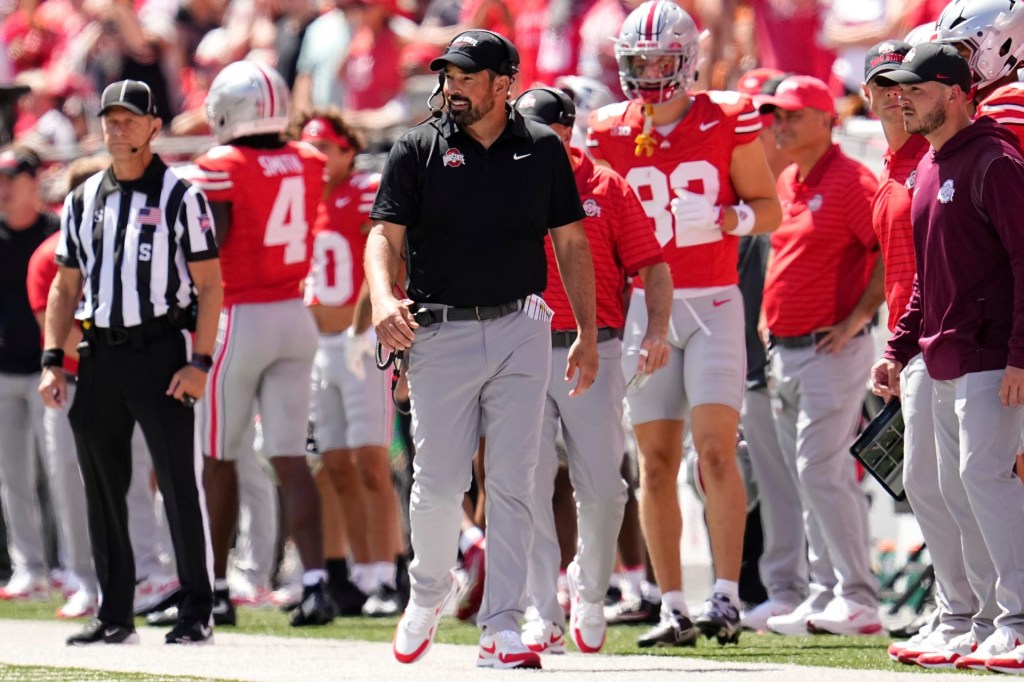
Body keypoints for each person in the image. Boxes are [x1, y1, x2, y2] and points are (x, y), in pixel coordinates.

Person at [366, 29, 598, 670]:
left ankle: (500, 624)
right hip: (438, 331)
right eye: (449, 76)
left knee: (516, 479)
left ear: (505, 84)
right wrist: (385, 299)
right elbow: (383, 235)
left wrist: (585, 330)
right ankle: (429, 593)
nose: (453, 87)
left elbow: (572, 243)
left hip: (524, 325)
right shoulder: (417, 145)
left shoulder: (544, 147)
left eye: (468, 77)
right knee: (439, 485)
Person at [585, 0, 782, 648]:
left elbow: (769, 209)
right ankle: (671, 604)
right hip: (646, 306)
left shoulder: (727, 115)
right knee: (655, 459)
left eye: (660, 60)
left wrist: (731, 221)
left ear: (687, 61)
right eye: (638, 62)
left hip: (715, 301)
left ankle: (724, 596)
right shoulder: (610, 128)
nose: (648, 73)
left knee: (717, 451)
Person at [39, 79, 220, 646]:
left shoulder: (181, 196)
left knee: (176, 482)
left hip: (161, 352)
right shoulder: (82, 198)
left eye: (129, 120)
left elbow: (210, 286)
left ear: (153, 127)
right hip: (98, 356)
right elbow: (64, 290)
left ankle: (197, 607)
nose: (118, 129)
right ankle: (115, 611)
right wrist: (53, 359)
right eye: (110, 120)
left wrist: (200, 362)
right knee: (101, 486)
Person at [872, 42, 1024, 673]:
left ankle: (1016, 621)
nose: (903, 98)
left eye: (920, 87)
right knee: (945, 488)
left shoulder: (996, 161)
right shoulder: (930, 166)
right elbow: (930, 282)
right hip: (940, 354)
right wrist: (897, 347)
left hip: (993, 355)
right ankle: (979, 620)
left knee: (983, 482)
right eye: (901, 88)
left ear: (959, 92)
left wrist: (1020, 355)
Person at [512, 86, 672, 655]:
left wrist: (655, 331)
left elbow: (653, 266)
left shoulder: (607, 187)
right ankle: (540, 606)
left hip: (593, 348)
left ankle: (591, 587)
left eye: (544, 135)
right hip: (519, 350)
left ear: (567, 133)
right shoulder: (501, 184)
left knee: (604, 487)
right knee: (523, 484)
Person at [189, 60, 337, 628]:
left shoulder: (221, 165)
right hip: (294, 314)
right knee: (289, 459)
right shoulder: (306, 160)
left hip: (241, 315)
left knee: (219, 458)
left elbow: (214, 240)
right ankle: (316, 583)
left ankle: (217, 587)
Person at [861, 39, 976, 665]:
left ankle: (983, 612)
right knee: (925, 485)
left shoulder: (937, 156)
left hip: (954, 336)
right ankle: (957, 609)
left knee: (964, 483)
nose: (895, 96)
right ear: (868, 96)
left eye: (906, 84)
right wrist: (892, 343)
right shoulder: (895, 164)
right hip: (913, 340)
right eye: (883, 85)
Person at [757, 74, 884, 637]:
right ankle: (828, 592)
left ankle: (858, 597)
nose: (780, 125)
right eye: (776, 116)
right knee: (809, 474)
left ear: (827, 120)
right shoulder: (787, 179)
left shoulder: (853, 180)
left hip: (833, 349)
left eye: (791, 116)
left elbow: (888, 251)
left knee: (820, 470)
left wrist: (860, 317)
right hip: (787, 349)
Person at [297, 107, 407, 617]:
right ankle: (355, 575)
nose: (316, 159)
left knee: (371, 463)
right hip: (316, 346)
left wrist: (369, 323)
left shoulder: (366, 189)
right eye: (309, 147)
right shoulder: (299, 195)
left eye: (326, 148)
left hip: (361, 342)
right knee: (335, 465)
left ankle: (388, 573)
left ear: (348, 150)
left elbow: (388, 251)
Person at [0, 146, 59, 603]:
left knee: (62, 474)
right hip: (3, 374)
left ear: (34, 182)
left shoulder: (56, 234)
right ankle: (29, 567)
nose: (3, 188)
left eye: (12, 178)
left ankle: (70, 565)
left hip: (51, 373)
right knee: (13, 478)